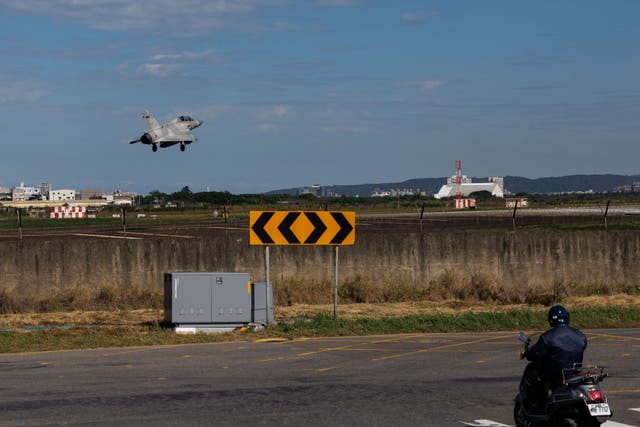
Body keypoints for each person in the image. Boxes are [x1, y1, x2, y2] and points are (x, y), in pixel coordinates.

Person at [520, 304, 588, 410]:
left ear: (550, 319)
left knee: (533, 372)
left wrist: (526, 353)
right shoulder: (580, 335)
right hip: (575, 373)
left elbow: (534, 353)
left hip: (556, 374)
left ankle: (540, 404)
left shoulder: (547, 337)